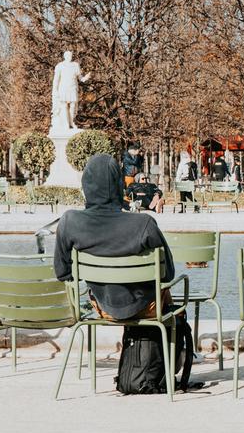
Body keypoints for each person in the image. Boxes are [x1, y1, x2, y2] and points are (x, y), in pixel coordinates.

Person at [52, 153, 203, 391]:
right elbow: (168, 274)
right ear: (119, 184)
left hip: (103, 308)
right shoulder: (142, 223)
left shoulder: (70, 221)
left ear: (86, 185)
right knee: (163, 294)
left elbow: (62, 273)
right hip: (146, 308)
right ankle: (165, 366)